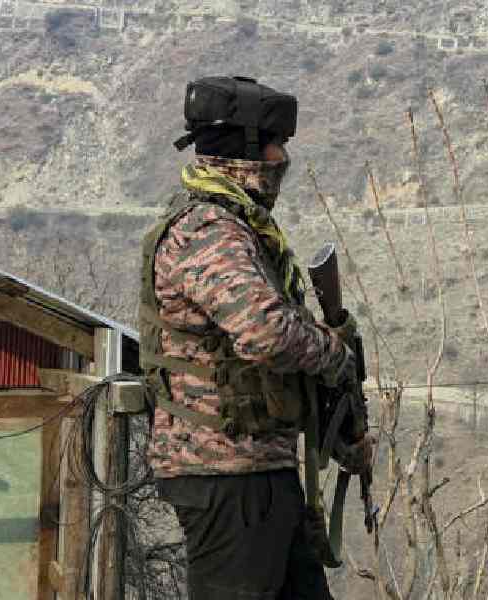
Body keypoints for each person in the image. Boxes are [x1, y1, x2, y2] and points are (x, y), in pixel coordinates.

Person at [138, 76, 370, 600]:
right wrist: (334, 353)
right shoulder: (208, 230)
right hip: (224, 474)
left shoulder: (237, 225)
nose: (282, 157)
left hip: (256, 469)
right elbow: (266, 332)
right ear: (242, 149)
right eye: (274, 143)